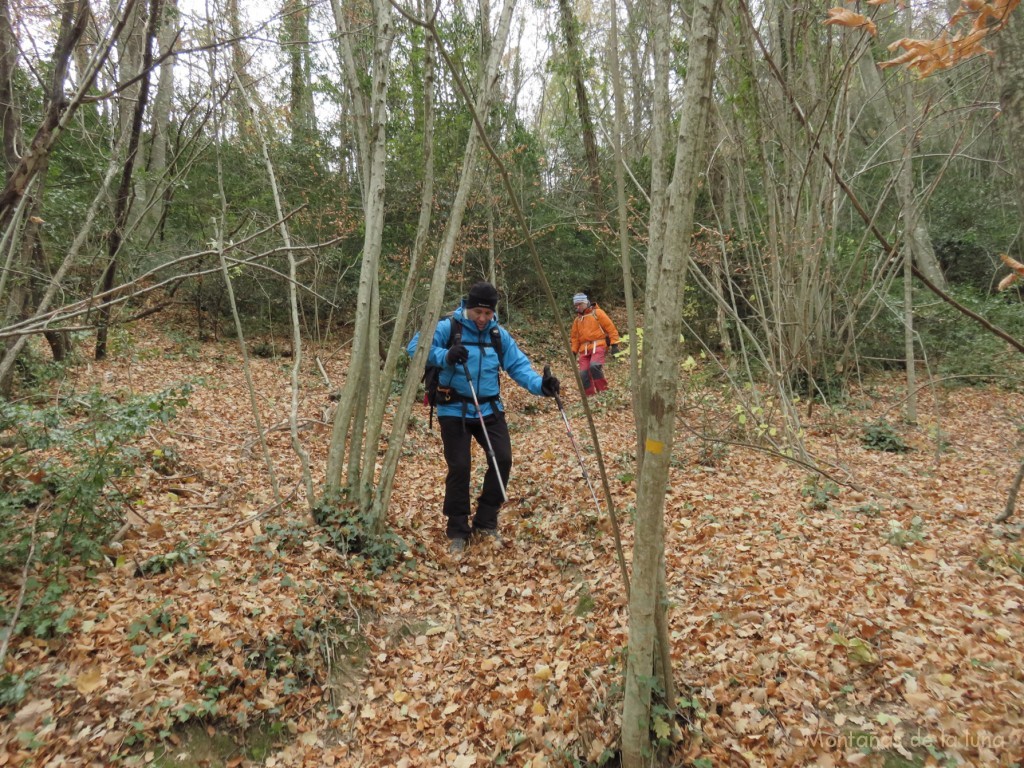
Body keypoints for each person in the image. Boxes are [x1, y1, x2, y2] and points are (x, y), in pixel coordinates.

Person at [408, 281, 560, 554]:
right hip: (452, 408)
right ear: (468, 307)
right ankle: (457, 528)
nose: (482, 319)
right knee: (460, 466)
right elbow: (414, 348)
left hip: (489, 408)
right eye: (478, 312)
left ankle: (486, 520)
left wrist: (542, 386)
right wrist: (445, 355)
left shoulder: (498, 335)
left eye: (487, 314)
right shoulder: (447, 328)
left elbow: (518, 366)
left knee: (503, 459)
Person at [570, 292, 620, 396]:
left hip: (599, 345)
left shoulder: (598, 313)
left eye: (579, 304)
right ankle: (590, 397)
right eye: (576, 305)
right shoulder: (577, 320)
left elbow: (611, 328)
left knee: (594, 366)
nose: (577, 307)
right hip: (584, 349)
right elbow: (575, 338)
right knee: (583, 374)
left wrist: (614, 344)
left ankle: (603, 393)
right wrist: (573, 352)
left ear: (585, 302)